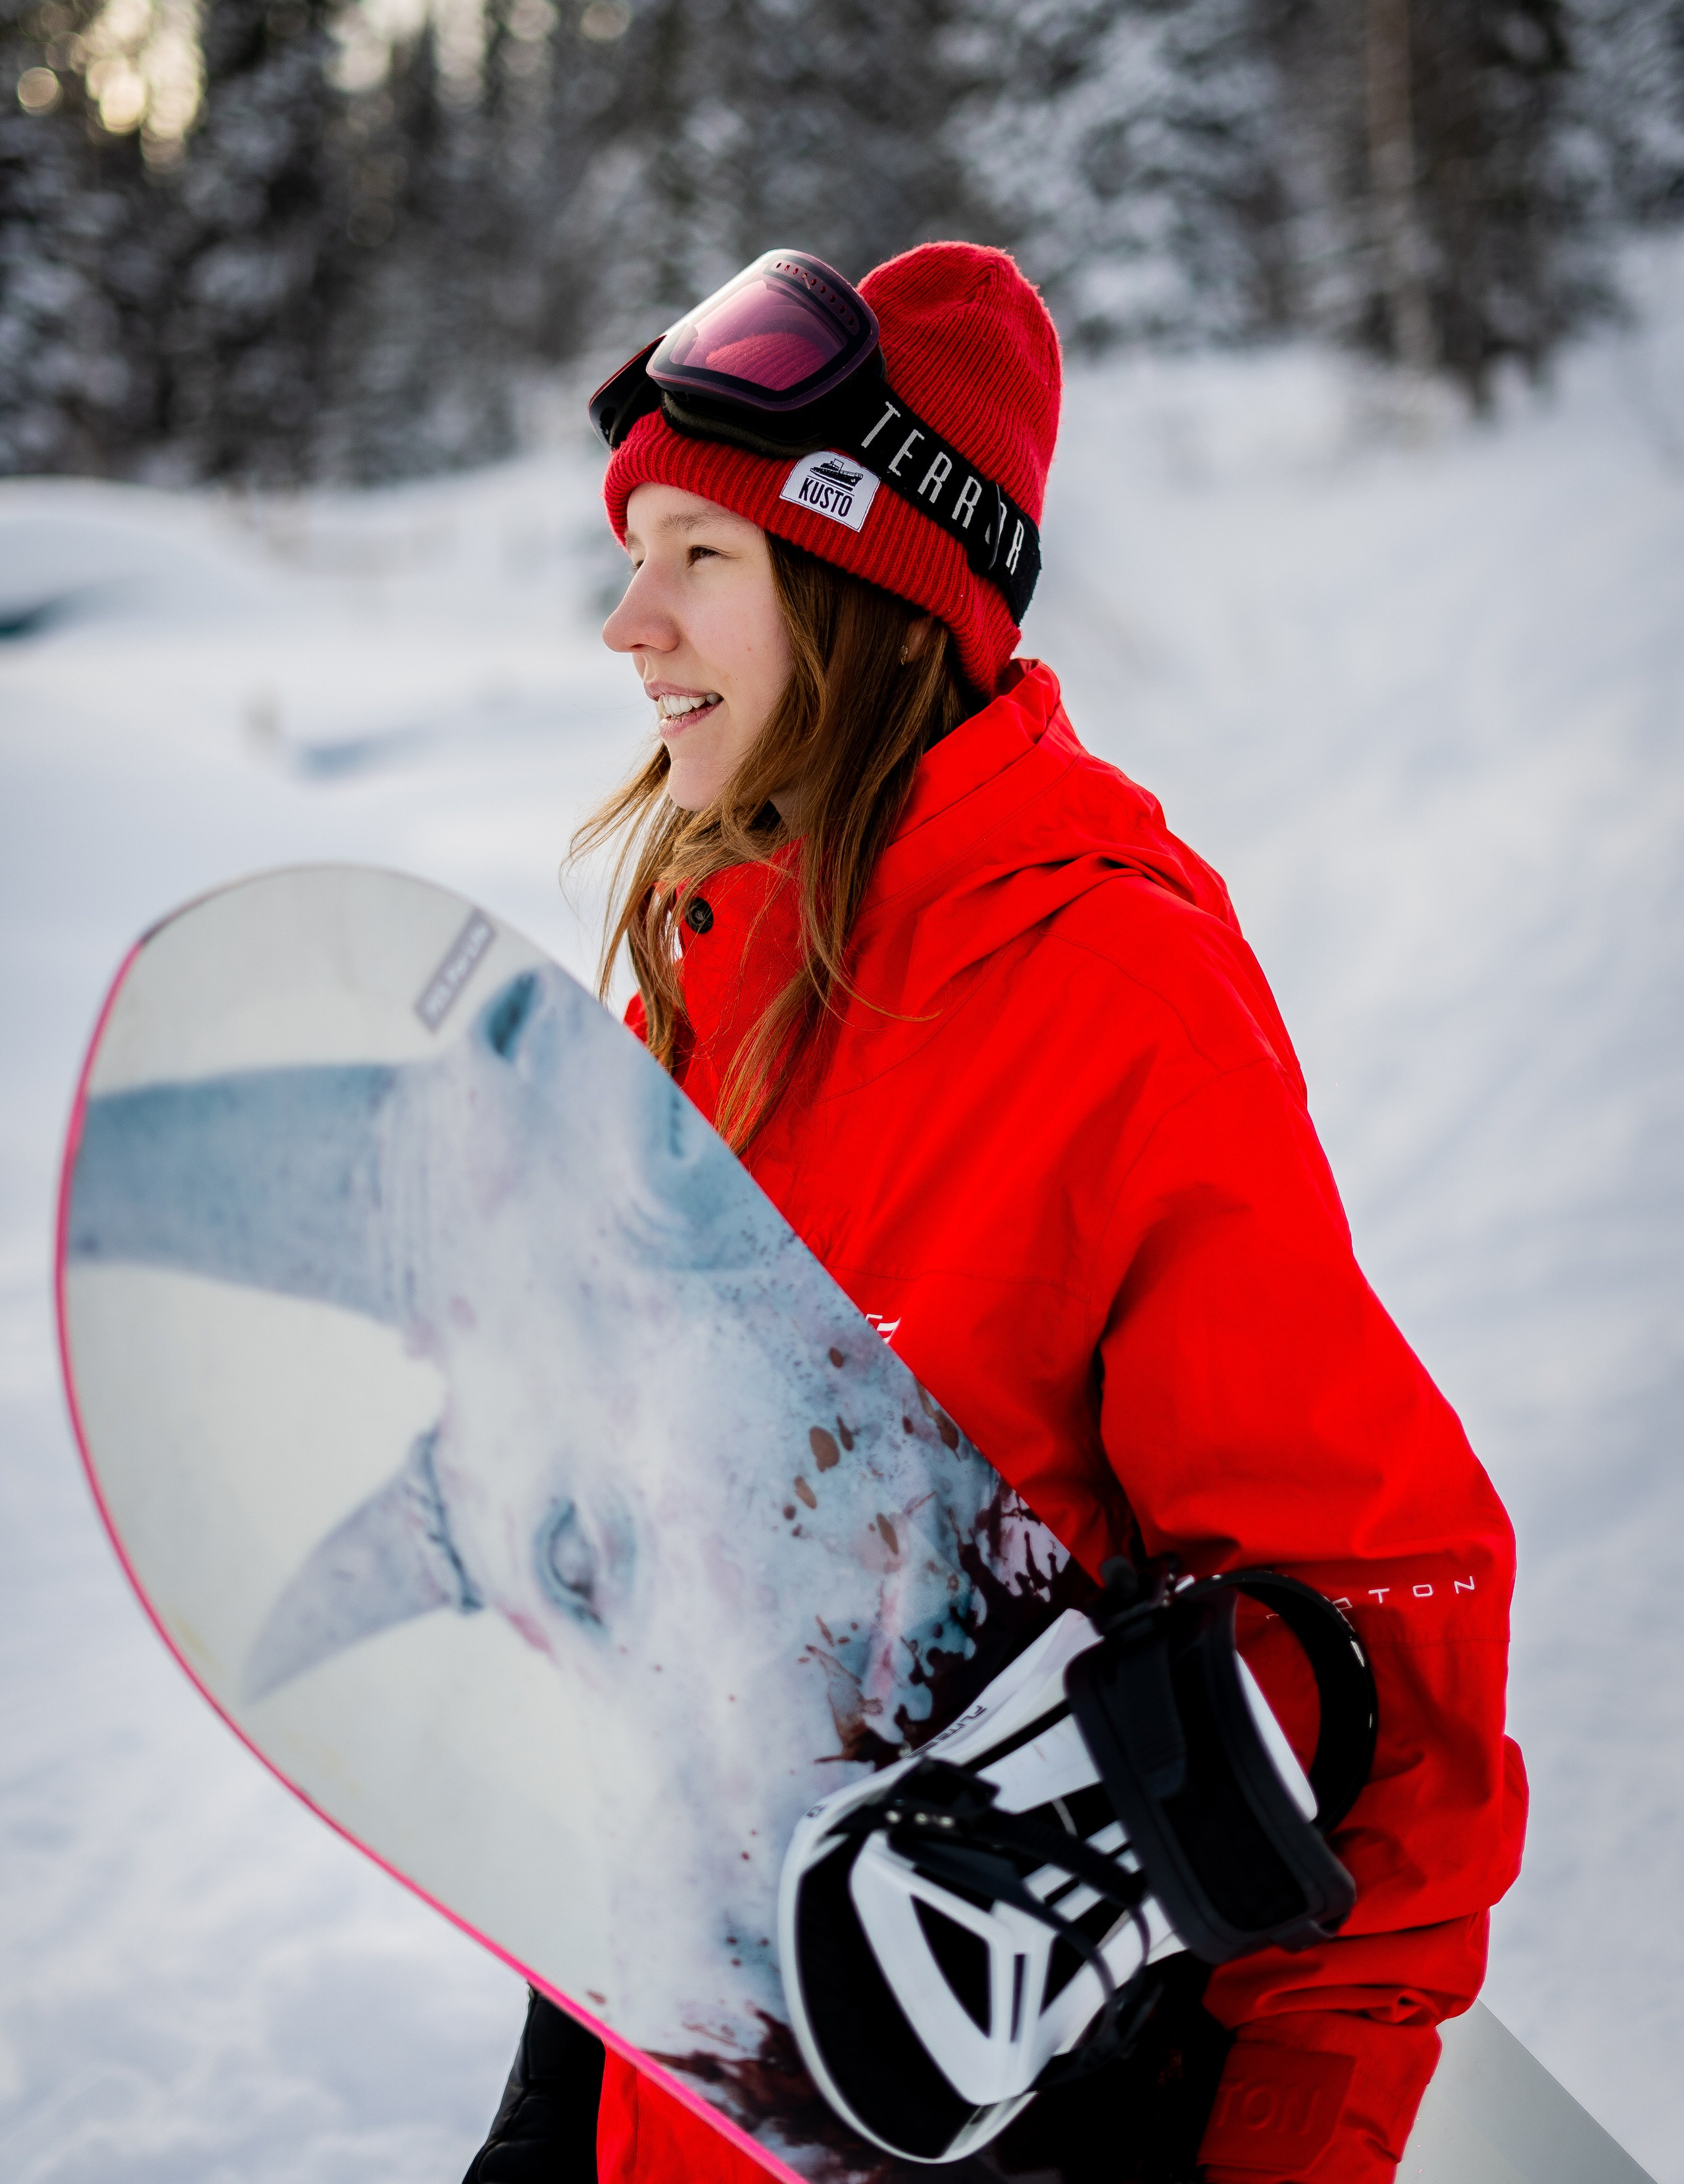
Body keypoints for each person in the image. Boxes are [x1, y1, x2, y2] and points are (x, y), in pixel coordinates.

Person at [465, 241, 1525, 2184]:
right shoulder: (709, 980)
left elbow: (1378, 1636)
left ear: (869, 590)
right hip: (689, 2068)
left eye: (699, 556)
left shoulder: (1111, 994)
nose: (629, 623)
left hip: (1001, 2109)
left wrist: (1288, 2136)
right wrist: (569, 2072)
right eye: (639, 556)